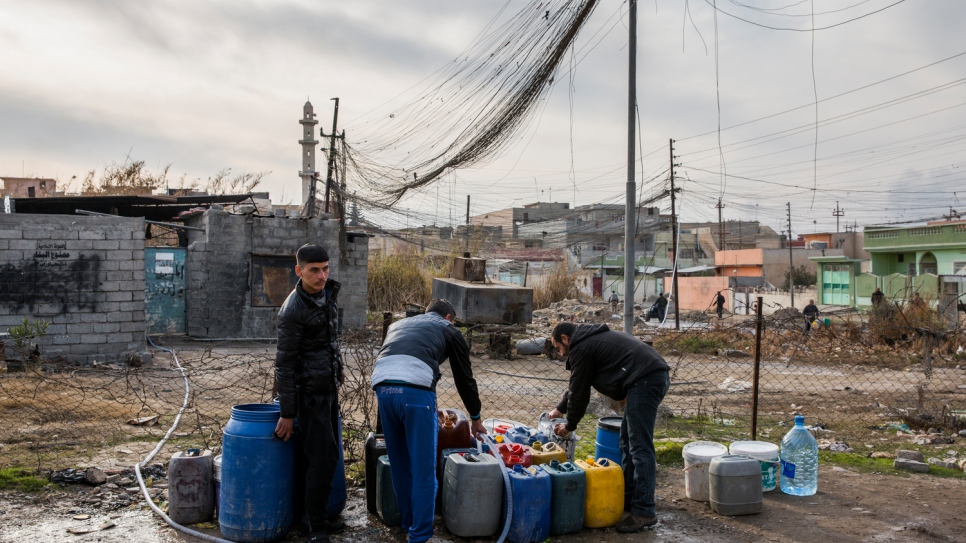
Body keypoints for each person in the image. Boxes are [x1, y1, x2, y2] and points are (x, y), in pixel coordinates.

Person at [372, 299, 487, 543]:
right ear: (448, 318)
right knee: (424, 471)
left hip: (383, 388)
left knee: (401, 465)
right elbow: (464, 378)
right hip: (415, 392)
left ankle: (407, 524)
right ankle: (420, 535)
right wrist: (475, 417)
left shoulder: (400, 325)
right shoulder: (449, 329)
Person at [548, 322, 670, 533]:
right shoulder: (589, 342)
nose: (560, 354)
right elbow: (578, 383)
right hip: (645, 378)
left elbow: (580, 392)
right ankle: (631, 501)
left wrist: (570, 425)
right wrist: (560, 409)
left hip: (645, 380)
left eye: (559, 348)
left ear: (566, 339)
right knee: (627, 441)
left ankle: (644, 511)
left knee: (640, 446)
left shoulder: (582, 347)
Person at [273, 244, 344, 543]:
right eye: (314, 270)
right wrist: (288, 412)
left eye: (325, 268)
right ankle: (315, 526)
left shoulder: (326, 295)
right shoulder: (293, 310)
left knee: (318, 457)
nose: (322, 275)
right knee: (322, 457)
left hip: (326, 388)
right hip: (309, 394)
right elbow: (285, 364)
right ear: (298, 270)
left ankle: (311, 518)